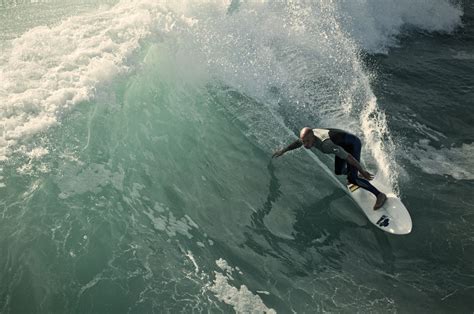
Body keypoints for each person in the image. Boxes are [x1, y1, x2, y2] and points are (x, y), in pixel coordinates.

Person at [272, 127, 387, 210]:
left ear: (312, 137)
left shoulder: (326, 145)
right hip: (341, 144)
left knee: (352, 179)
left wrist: (362, 171)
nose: (305, 144)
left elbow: (349, 157)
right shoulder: (308, 137)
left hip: (352, 145)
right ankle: (355, 172)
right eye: (304, 141)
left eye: (307, 141)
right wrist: (283, 151)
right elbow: (298, 143)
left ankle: (379, 195)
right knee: (339, 171)